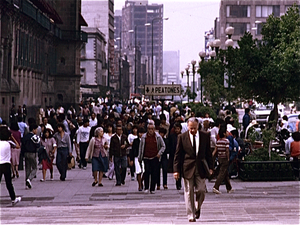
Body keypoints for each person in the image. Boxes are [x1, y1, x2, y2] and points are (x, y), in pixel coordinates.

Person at [173, 117, 213, 222]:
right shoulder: (182, 137)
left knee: (201, 190)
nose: (193, 130)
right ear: (187, 127)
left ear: (198, 126)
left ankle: (197, 206)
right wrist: (176, 170)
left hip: (200, 168)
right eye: (190, 128)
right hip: (187, 168)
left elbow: (208, 153)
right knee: (188, 191)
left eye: (194, 128)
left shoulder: (205, 136)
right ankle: (191, 214)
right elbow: (177, 155)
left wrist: (211, 167)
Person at [138, 123, 166, 194]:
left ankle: (152, 188)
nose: (150, 130)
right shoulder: (144, 137)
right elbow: (141, 148)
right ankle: (146, 187)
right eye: (149, 129)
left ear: (154, 129)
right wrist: (140, 157)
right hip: (146, 157)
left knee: (154, 173)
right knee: (146, 172)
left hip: (155, 157)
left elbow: (163, 146)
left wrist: (159, 153)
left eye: (152, 129)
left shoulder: (158, 137)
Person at [0, 126, 22, 206]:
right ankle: (13, 198)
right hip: (6, 164)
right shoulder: (9, 143)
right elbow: (18, 145)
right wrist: (12, 137)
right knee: (8, 183)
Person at [212, 124, 234, 194]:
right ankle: (216, 186)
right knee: (222, 173)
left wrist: (212, 156)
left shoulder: (218, 141)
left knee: (225, 173)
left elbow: (215, 150)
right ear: (224, 133)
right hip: (224, 158)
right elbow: (227, 150)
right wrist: (228, 157)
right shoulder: (226, 141)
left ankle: (229, 188)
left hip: (219, 158)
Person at [21, 123, 40, 189]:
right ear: (34, 130)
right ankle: (29, 179)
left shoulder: (25, 137)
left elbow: (22, 146)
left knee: (27, 168)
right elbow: (37, 145)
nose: (37, 131)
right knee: (34, 168)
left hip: (26, 153)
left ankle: (26, 184)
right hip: (32, 153)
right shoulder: (34, 137)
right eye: (36, 129)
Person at [168, 122, 182, 190]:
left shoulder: (182, 136)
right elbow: (169, 145)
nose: (177, 130)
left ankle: (179, 182)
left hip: (181, 155)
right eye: (176, 129)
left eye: (178, 129)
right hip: (173, 154)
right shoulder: (171, 136)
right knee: (176, 170)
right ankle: (178, 183)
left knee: (181, 170)